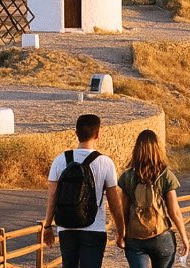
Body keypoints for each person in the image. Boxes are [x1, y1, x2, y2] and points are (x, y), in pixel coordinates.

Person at [44, 114, 125, 268]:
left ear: (76, 133)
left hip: (67, 227)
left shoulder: (60, 160)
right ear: (97, 134)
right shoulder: (105, 162)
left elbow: (52, 197)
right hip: (94, 227)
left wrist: (48, 226)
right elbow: (114, 202)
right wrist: (121, 230)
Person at [117, 129, 190, 268]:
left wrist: (121, 235)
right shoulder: (166, 176)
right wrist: (184, 237)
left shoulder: (127, 177)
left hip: (134, 238)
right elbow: (174, 212)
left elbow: (123, 212)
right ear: (157, 148)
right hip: (161, 236)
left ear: (137, 149)